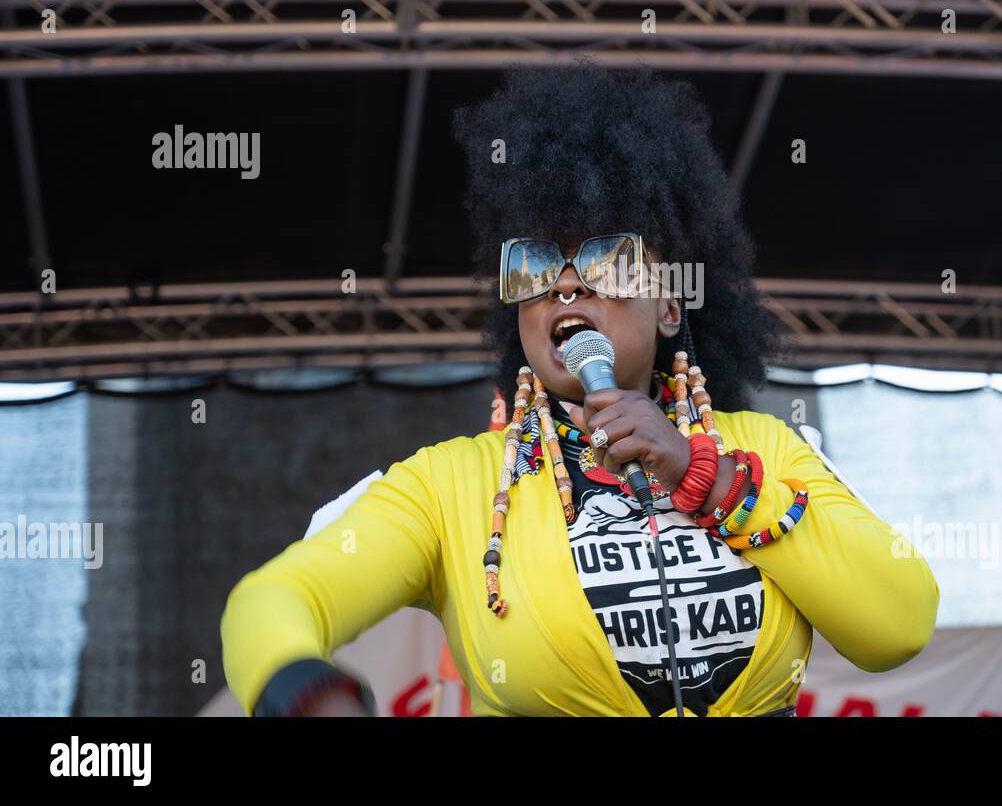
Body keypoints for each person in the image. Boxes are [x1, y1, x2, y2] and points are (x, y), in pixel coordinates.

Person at [220, 60, 940, 717]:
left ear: (669, 306)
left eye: (609, 259)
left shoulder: (765, 449)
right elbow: (273, 600)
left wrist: (708, 480)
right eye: (535, 266)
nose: (567, 282)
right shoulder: (452, 487)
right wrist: (309, 696)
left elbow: (897, 623)